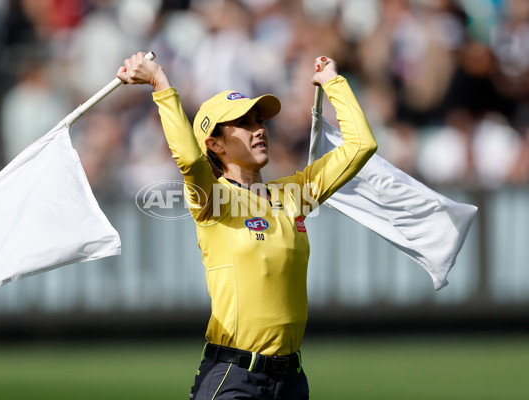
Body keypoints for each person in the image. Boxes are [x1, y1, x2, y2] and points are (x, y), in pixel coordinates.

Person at [116, 52, 377, 400]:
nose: (259, 130)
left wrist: (332, 82)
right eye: (244, 123)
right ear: (215, 143)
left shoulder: (293, 194)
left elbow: (362, 146)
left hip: (292, 381)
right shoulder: (211, 198)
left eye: (260, 121)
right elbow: (191, 160)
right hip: (234, 377)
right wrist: (160, 82)